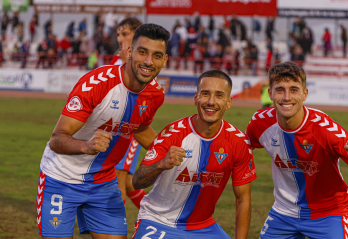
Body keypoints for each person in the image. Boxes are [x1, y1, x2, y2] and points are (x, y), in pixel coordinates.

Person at [36, 23, 170, 238]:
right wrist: (87, 146)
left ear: (164, 61)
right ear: (129, 52)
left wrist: (167, 152)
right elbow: (57, 139)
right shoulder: (96, 84)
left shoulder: (155, 94)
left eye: (156, 55)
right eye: (142, 52)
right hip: (61, 178)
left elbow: (141, 127)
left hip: (103, 183)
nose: (148, 62)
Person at [246, 62, 348, 239]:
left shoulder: (326, 130)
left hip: (329, 213)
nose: (287, 97)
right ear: (270, 93)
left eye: (294, 90)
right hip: (283, 213)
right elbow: (243, 149)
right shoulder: (259, 123)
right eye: (280, 90)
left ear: (305, 94)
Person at [132, 70, 256, 239]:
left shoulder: (239, 142)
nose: (211, 102)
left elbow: (243, 199)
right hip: (159, 221)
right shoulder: (173, 134)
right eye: (205, 94)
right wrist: (161, 164)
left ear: (228, 102)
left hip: (204, 227)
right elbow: (137, 181)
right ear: (196, 98)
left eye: (219, 95)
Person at [109, 17, 150, 211]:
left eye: (124, 33)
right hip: (113, 125)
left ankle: (116, 228)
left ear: (137, 35)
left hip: (130, 127)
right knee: (125, 182)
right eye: (118, 34)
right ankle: (156, 216)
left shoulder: (141, 61)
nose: (119, 38)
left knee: (118, 177)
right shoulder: (116, 59)